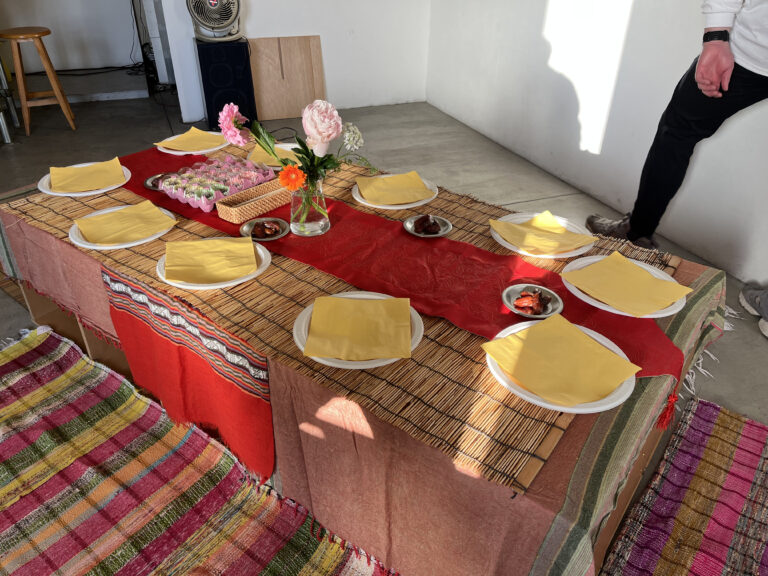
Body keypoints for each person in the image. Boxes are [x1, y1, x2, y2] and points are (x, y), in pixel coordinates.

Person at [587, 0, 768, 249]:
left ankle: (636, 232)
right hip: (752, 54)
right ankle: (637, 230)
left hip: (751, 55)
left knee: (677, 133)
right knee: (678, 132)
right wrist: (716, 39)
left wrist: (716, 38)